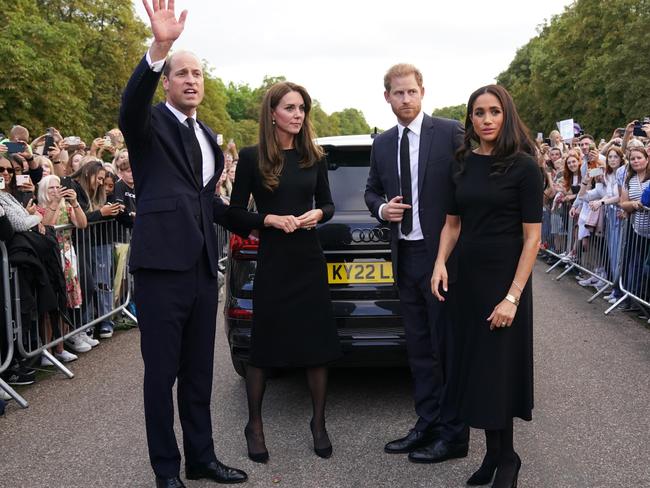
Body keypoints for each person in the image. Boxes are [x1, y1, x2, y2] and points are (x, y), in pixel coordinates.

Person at [118, 1, 248, 486]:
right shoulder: (148, 126)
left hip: (199, 270)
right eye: (182, 73)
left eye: (198, 74)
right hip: (160, 271)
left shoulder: (209, 137)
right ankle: (166, 470)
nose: (192, 80)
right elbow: (130, 105)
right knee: (161, 377)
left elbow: (207, 204)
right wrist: (159, 47)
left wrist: (262, 220)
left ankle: (202, 458)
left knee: (198, 375)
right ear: (167, 82)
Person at [431, 84, 542, 488]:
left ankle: (508, 459)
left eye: (494, 111)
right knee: (476, 368)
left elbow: (532, 238)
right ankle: (494, 455)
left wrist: (513, 296)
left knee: (498, 370)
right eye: (479, 113)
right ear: (471, 120)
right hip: (469, 280)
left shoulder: (525, 167)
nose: (487, 119)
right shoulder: (461, 162)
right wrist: (440, 263)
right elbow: (452, 224)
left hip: (506, 280)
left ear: (506, 114)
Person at [228, 81, 342, 463]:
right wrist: (269, 219)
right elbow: (234, 214)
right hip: (274, 261)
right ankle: (255, 426)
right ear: (272, 114)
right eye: (291, 108)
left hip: (308, 259)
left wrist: (319, 214)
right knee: (264, 347)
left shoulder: (315, 156)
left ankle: (319, 423)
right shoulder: (251, 157)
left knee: (316, 345)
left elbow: (327, 204)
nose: (298, 115)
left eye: (302, 108)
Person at [364, 63, 468, 463]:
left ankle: (454, 434)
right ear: (387, 96)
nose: (405, 99)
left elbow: (470, 184)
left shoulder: (450, 131)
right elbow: (372, 189)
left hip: (442, 258)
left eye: (411, 92)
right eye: (397, 93)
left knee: (447, 347)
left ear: (422, 92)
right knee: (419, 349)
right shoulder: (383, 143)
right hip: (404, 256)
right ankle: (426, 423)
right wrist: (380, 208)